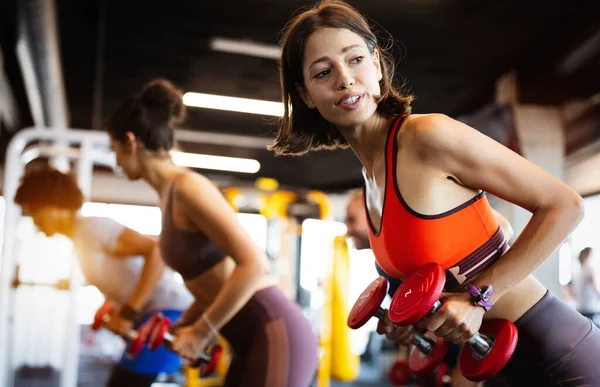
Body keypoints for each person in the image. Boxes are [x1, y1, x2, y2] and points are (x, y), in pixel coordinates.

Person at [269, 1, 596, 385]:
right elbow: (495, 230)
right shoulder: (371, 180)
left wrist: (478, 299)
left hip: (558, 356)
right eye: (323, 72)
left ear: (376, 64)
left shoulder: (427, 137)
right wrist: (415, 321)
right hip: (491, 369)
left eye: (355, 59)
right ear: (305, 94)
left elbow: (565, 206)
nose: (345, 79)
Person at [104, 78, 318, 386]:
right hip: (247, 339)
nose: (117, 162)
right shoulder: (168, 195)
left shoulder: (188, 188)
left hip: (273, 330)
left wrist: (202, 332)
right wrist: (188, 324)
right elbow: (215, 279)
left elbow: (254, 263)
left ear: (130, 141)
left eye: (115, 150)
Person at [14, 167, 194, 387]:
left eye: (34, 209)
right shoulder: (80, 241)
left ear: (54, 204)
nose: (33, 219)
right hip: (148, 315)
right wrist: (114, 307)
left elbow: (156, 253)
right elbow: (124, 277)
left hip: (167, 311)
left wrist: (128, 312)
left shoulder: (92, 227)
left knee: (126, 383)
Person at [571, 247, 600, 324]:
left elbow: (574, 292)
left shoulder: (578, 272)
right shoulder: (589, 269)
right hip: (589, 307)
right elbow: (594, 288)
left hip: (579, 307)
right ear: (589, 255)